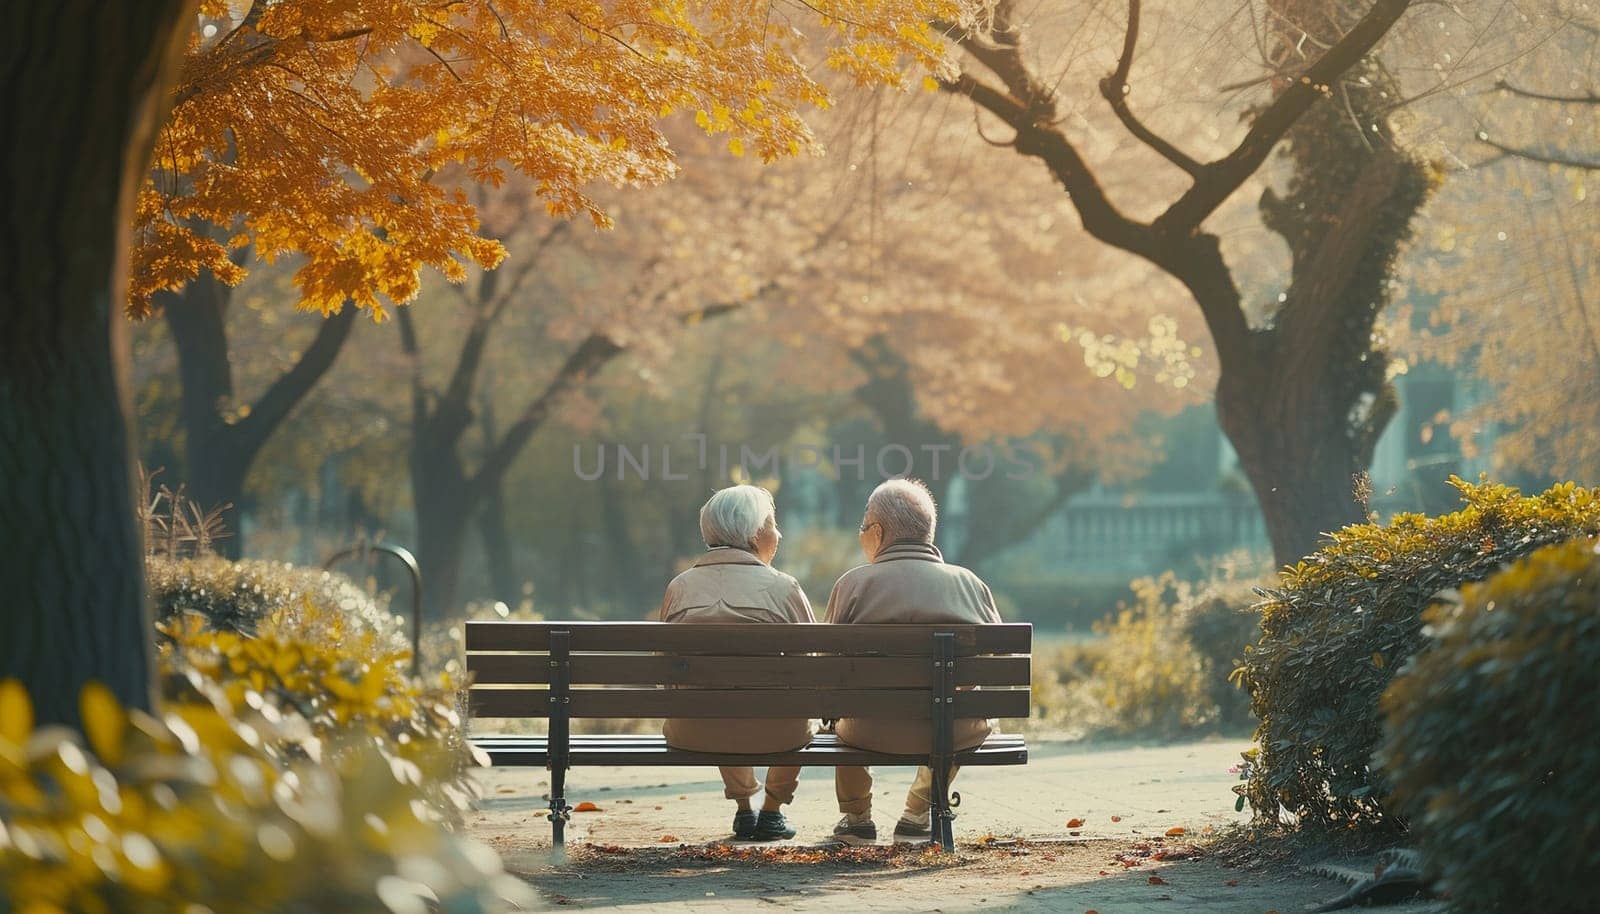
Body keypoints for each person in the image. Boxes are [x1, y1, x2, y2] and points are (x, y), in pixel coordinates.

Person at [823, 478, 1002, 845]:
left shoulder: (853, 585)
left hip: (869, 731)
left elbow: (827, 665)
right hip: (951, 732)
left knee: (842, 709)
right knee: (961, 710)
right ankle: (919, 810)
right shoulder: (970, 584)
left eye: (863, 527)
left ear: (877, 531)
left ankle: (857, 818)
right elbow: (996, 655)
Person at [659, 484, 814, 841]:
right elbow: (812, 667)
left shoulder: (680, 588)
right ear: (756, 533)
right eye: (773, 524)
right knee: (787, 707)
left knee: (711, 700)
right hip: (780, 734)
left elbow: (665, 667)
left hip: (695, 731)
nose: (779, 533)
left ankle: (744, 809)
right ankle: (772, 811)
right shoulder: (785, 588)